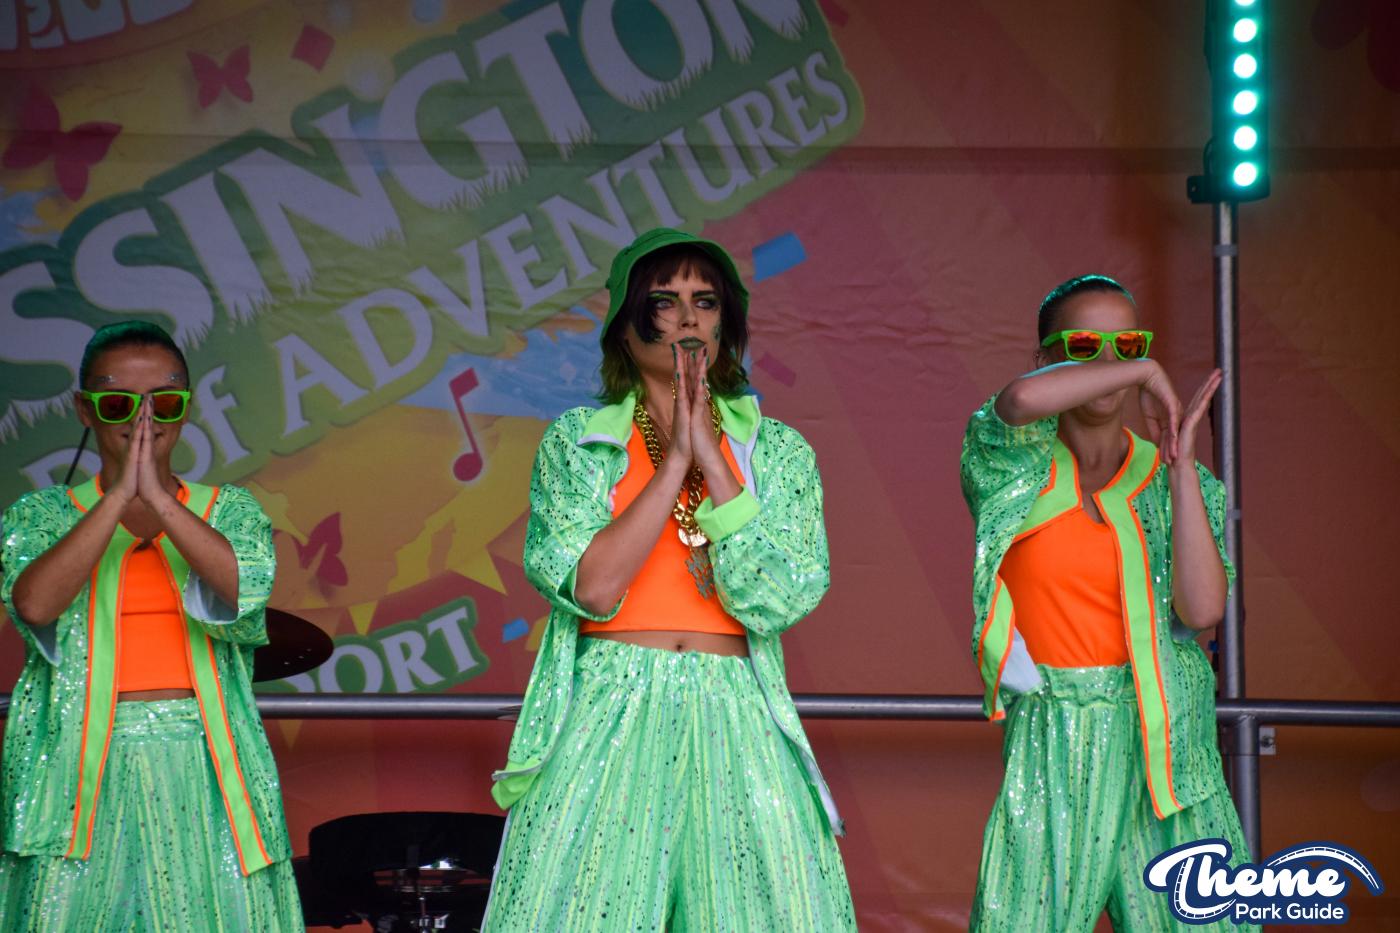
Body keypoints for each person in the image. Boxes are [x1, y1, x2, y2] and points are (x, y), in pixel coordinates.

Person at [482, 228, 856, 931]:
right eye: (664, 300)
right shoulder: (580, 441)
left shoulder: (776, 452)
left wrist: (712, 459)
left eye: (705, 301)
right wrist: (672, 461)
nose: (687, 317)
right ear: (625, 329)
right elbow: (593, 590)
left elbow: (777, 599)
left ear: (726, 325)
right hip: (609, 701)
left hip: (736, 706)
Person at [961, 275, 1256, 931]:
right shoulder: (1010, 463)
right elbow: (1019, 400)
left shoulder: (1175, 479)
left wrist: (1181, 468)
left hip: (1170, 744)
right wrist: (1144, 370)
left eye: (1127, 345)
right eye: (1084, 345)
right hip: (1056, 734)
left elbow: (1203, 610)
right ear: (1044, 356)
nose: (1108, 362)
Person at [0, 321, 302, 931]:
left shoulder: (230, 510)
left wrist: (160, 499)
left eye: (164, 403)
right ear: (85, 410)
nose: (144, 419)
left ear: (186, 410)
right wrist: (117, 497)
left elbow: (245, 589)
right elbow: (34, 605)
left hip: (206, 758)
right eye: (119, 403)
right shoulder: (43, 514)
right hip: (74, 761)